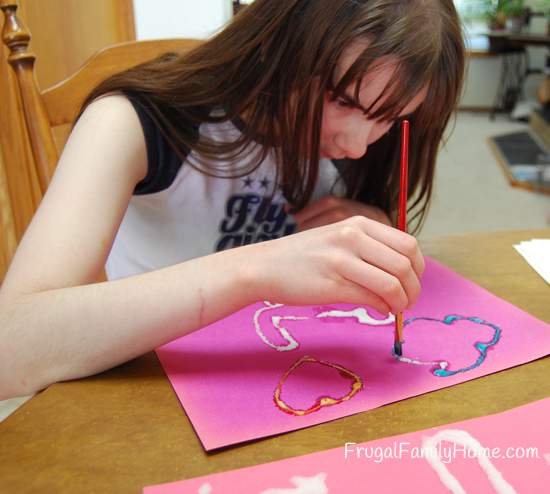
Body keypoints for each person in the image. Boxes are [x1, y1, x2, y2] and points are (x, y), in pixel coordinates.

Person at [0, 0, 465, 399]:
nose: (359, 144)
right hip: (150, 399)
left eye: (389, 117)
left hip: (304, 386)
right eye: (341, 101)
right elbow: (12, 345)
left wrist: (378, 222)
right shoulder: (129, 123)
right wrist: (255, 269)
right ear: (281, 44)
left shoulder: (368, 149)